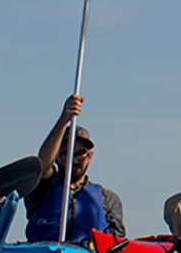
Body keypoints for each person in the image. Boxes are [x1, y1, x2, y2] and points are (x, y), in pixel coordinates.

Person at [28, 95, 128, 242]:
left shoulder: (108, 199)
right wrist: (64, 120)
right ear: (56, 156)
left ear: (91, 156)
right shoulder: (42, 188)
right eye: (66, 154)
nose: (73, 160)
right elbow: (43, 167)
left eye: (80, 153)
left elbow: (115, 243)